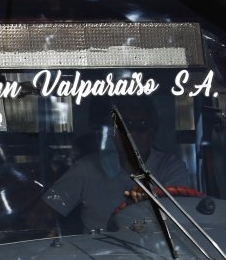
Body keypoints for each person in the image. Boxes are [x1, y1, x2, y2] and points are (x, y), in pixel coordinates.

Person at [42, 96, 192, 233]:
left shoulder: (170, 167)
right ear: (113, 132)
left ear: (153, 131)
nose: (132, 133)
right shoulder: (87, 168)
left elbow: (177, 217)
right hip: (97, 258)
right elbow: (46, 211)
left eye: (142, 125)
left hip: (155, 256)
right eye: (125, 126)